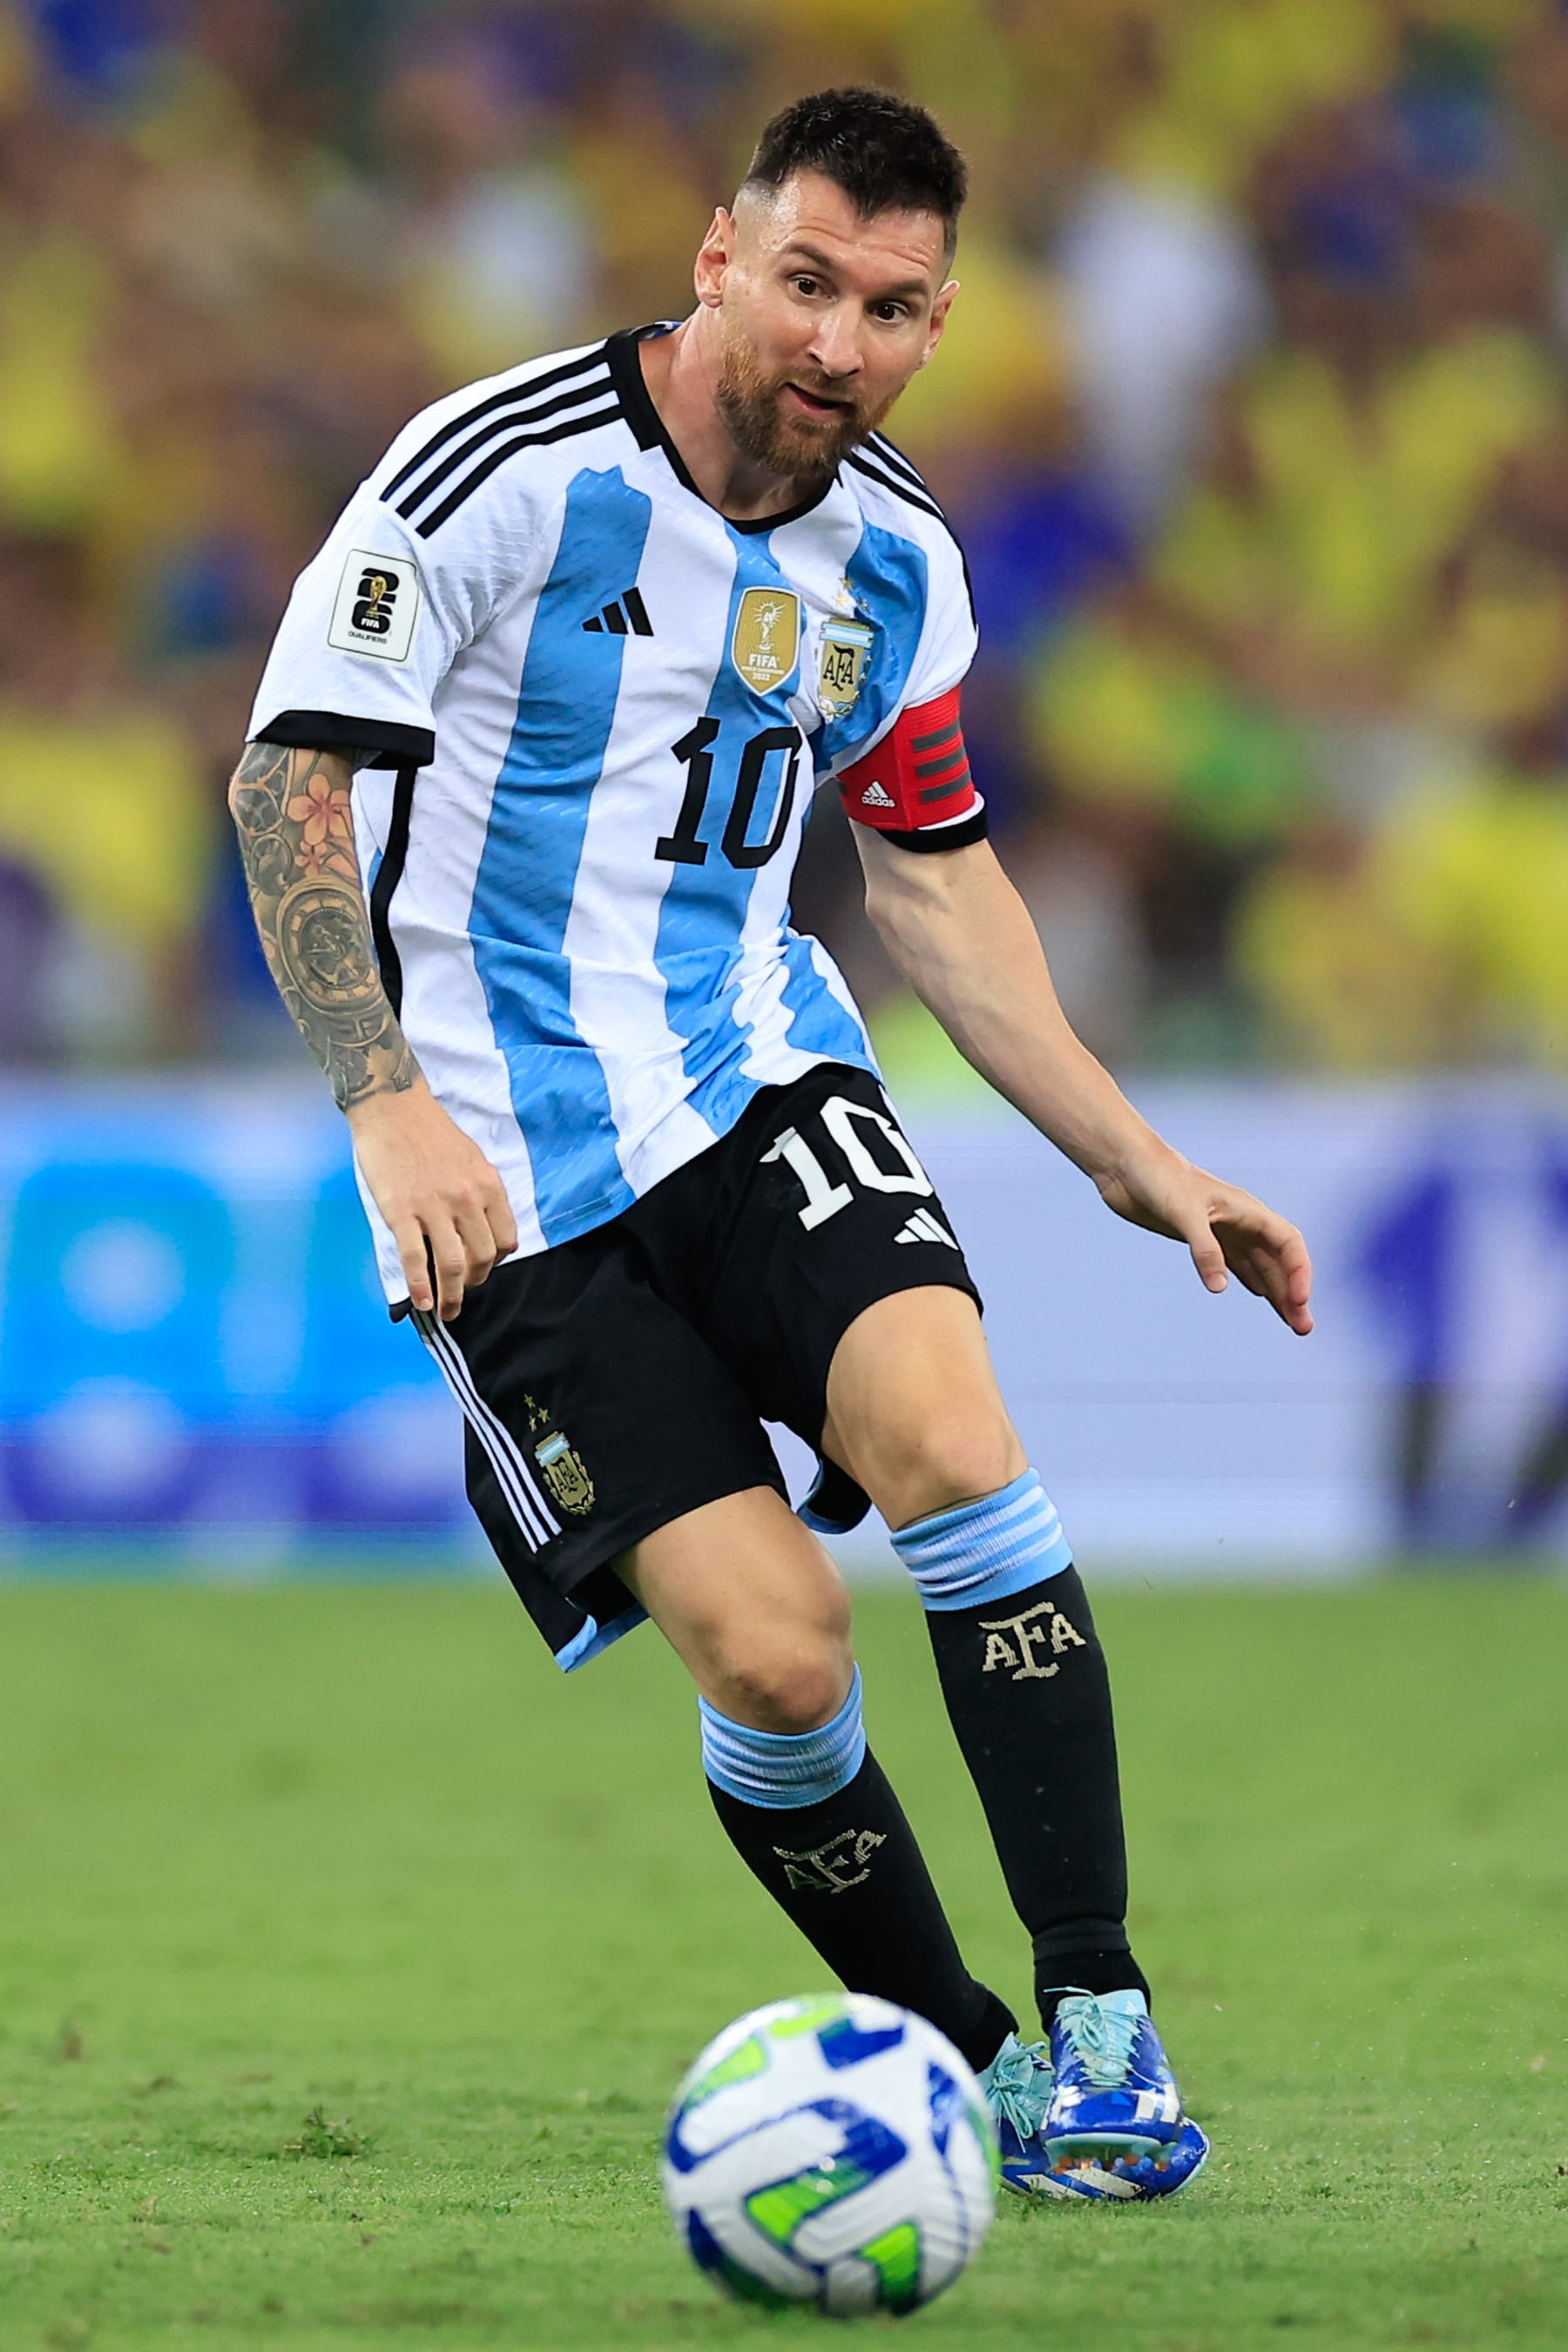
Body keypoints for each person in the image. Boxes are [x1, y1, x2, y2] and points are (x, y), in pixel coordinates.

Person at [230, 87, 1313, 2200]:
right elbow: (291, 793)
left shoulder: (897, 555)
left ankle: (1099, 2010)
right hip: (509, 1178)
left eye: (892, 307)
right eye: (806, 282)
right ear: (721, 259)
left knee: (953, 1448)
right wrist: (386, 1104)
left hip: (756, 1077)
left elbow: (930, 872)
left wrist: (1131, 1153)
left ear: (938, 323)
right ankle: (967, 2054)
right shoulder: (497, 474)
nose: (838, 341)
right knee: (774, 1652)